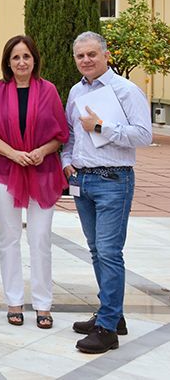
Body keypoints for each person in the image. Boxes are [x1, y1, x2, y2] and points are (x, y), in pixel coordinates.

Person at [63, 31, 152, 354]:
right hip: (83, 182)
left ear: (106, 55)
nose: (86, 60)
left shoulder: (125, 90)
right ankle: (112, 315)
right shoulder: (76, 91)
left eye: (92, 54)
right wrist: (66, 161)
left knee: (110, 252)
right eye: (80, 56)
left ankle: (107, 329)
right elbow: (70, 134)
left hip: (114, 180)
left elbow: (144, 135)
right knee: (97, 251)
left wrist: (101, 127)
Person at [0, 35, 69, 329]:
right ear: (7, 62)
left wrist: (41, 151)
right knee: (10, 237)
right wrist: (14, 154)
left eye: (26, 57)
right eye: (15, 57)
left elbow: (60, 134)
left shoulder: (49, 91)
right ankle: (14, 300)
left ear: (35, 60)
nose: (21, 62)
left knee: (40, 238)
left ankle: (43, 304)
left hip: (43, 171)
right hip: (4, 171)